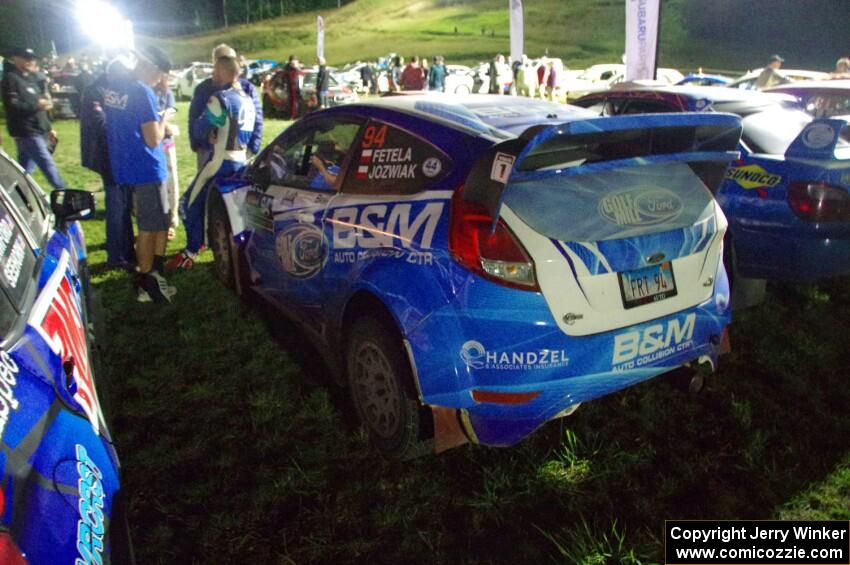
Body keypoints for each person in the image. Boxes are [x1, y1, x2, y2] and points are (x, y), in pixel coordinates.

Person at [168, 56, 256, 271]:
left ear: (225, 72)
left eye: (216, 70)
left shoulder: (220, 98)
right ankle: (210, 245)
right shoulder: (248, 98)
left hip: (220, 160)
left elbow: (201, 128)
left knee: (187, 205)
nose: (212, 74)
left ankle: (192, 250)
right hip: (241, 160)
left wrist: (209, 132)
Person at [103, 46, 176, 303]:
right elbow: (153, 138)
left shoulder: (115, 88)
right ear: (151, 67)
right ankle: (148, 283)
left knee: (157, 224)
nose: (160, 81)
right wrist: (165, 121)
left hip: (127, 166)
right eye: (160, 75)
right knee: (150, 227)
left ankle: (154, 274)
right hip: (147, 168)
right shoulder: (142, 92)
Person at [79, 58, 136, 270]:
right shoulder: (96, 92)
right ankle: (117, 255)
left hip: (117, 156)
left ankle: (126, 247)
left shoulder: (108, 89)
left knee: (123, 203)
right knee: (116, 206)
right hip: (108, 157)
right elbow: (101, 125)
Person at [189, 44, 263, 172]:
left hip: (233, 153)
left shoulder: (243, 89)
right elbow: (194, 117)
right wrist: (198, 143)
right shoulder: (203, 89)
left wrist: (253, 147)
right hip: (210, 150)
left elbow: (257, 118)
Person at [1, 47, 66, 189]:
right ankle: (65, 194)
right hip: (26, 132)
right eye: (26, 58)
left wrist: (49, 128)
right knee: (48, 165)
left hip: (37, 129)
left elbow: (40, 106)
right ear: (15, 58)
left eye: (32, 58)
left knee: (24, 171)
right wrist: (37, 105)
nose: (31, 61)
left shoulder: (29, 78)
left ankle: (14, 200)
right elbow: (13, 106)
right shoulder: (10, 78)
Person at [154, 75, 180, 239]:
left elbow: (171, 111)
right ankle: (158, 223)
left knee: (171, 182)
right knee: (157, 185)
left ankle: (172, 218)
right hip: (151, 145)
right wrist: (165, 125)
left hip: (166, 144)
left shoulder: (167, 93)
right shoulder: (145, 92)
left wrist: (164, 122)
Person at [282, 55, 302, 119]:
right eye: (293, 63)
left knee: (295, 102)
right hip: (293, 88)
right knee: (294, 102)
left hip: (295, 88)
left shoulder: (291, 69)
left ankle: (294, 115)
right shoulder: (290, 70)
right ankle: (293, 116)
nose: (295, 64)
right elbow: (288, 79)